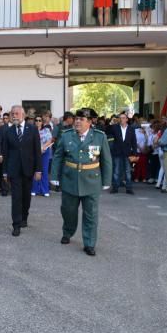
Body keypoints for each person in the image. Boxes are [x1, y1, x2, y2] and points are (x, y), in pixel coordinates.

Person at [51, 108, 112, 257]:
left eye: (81, 119)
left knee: (91, 214)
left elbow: (106, 159)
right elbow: (58, 156)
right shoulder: (66, 136)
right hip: (69, 180)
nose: (77, 121)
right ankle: (68, 232)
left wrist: (106, 180)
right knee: (68, 211)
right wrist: (54, 176)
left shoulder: (99, 137)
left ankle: (89, 243)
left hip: (91, 181)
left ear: (90, 122)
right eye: (76, 118)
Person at [1, 106, 42, 236]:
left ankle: (24, 217)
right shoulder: (8, 131)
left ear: (23, 115)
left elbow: (37, 151)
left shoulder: (33, 129)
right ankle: (16, 224)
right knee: (16, 197)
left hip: (28, 168)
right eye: (12, 114)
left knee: (26, 197)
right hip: (14, 169)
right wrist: (5, 172)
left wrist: (38, 170)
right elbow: (5, 153)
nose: (14, 116)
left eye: (17, 113)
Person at [110, 112, 138, 194]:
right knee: (116, 171)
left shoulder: (131, 129)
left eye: (123, 118)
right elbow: (108, 131)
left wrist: (135, 153)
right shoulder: (115, 127)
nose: (121, 119)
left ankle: (129, 188)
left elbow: (134, 142)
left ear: (126, 119)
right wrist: (112, 123)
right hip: (117, 152)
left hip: (127, 153)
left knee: (128, 171)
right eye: (120, 118)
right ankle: (115, 187)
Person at [31, 115, 52, 197]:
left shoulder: (46, 130)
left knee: (44, 170)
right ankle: (34, 189)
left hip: (44, 152)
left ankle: (44, 190)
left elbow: (50, 140)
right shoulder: (31, 130)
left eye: (40, 120)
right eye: (36, 120)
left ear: (42, 122)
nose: (38, 122)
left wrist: (42, 147)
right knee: (35, 170)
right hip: (34, 152)